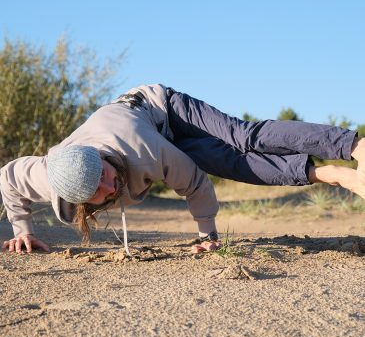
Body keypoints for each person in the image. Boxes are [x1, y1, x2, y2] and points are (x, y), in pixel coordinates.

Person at [1, 84, 365, 255]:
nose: (109, 184)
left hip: (163, 109)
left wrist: (208, 235)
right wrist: (23, 230)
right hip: (150, 133)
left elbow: (194, 182)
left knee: (242, 138)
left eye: (104, 172)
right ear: (75, 197)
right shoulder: (47, 176)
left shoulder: (142, 153)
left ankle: (354, 146)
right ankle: (332, 175)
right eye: (97, 189)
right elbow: (7, 177)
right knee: (234, 165)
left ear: (102, 160)